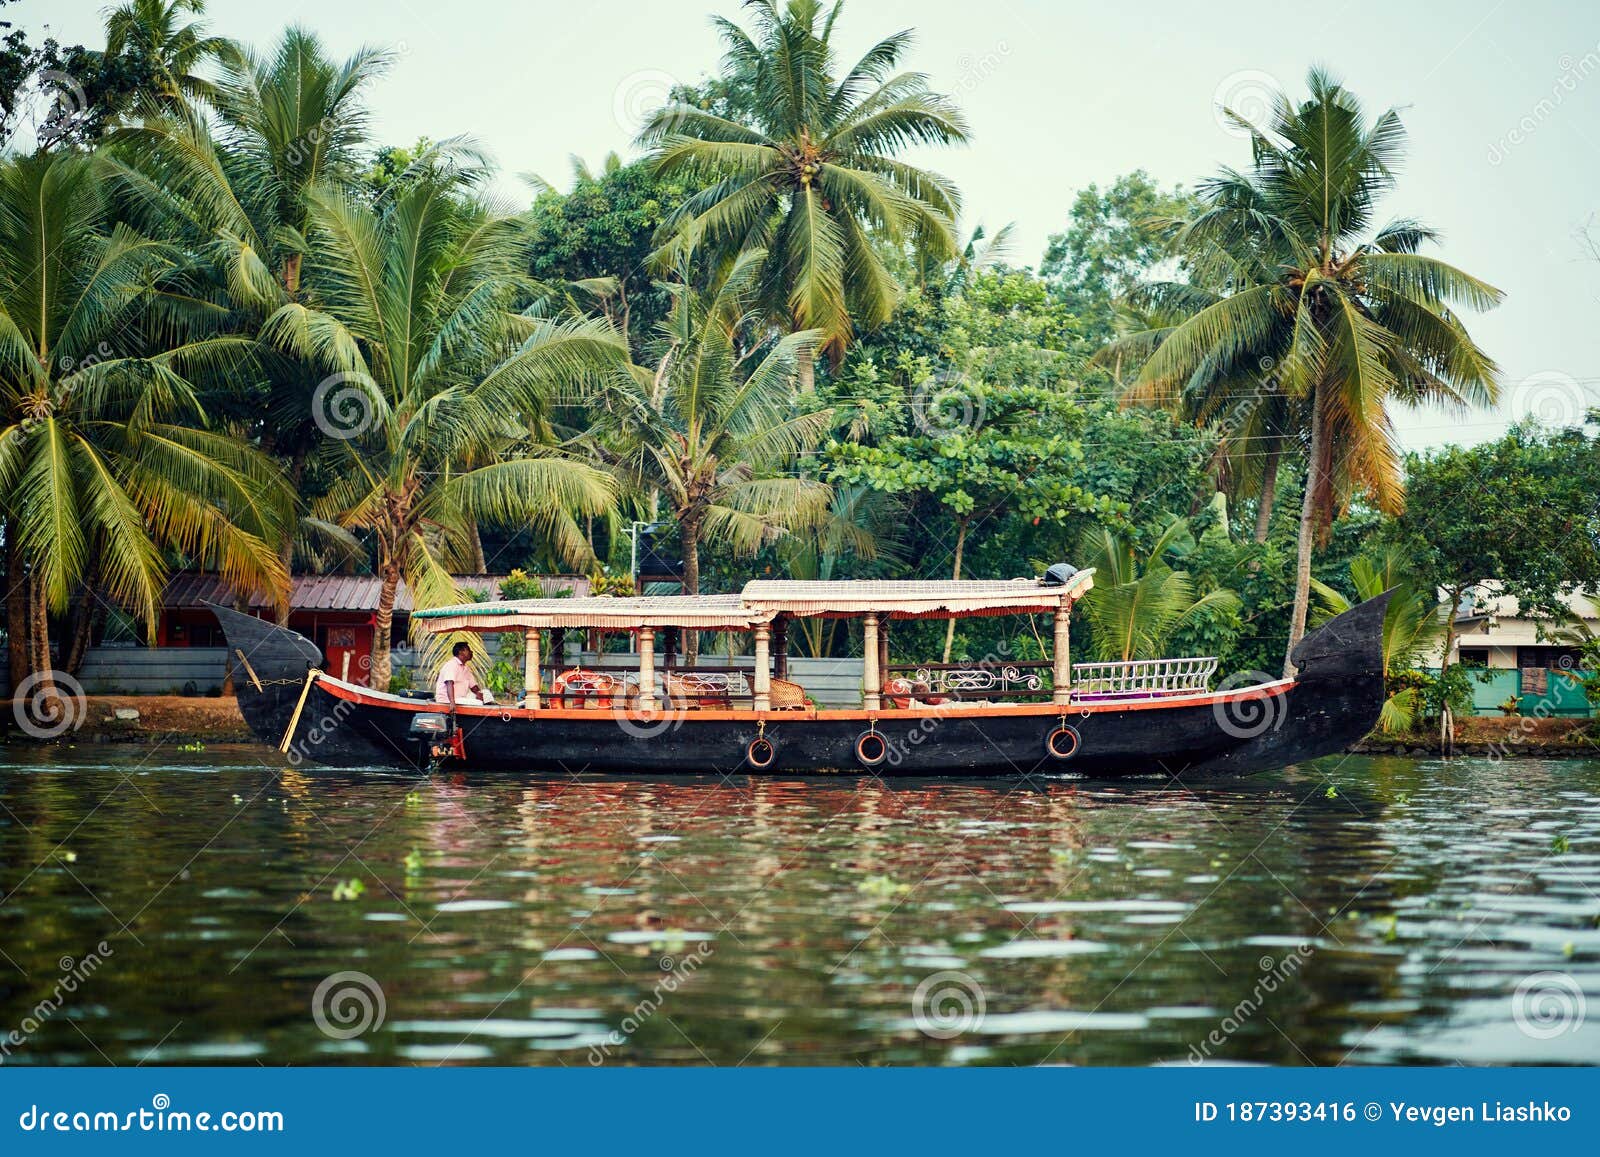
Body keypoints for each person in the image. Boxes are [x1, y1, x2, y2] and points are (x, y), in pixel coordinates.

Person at [434, 641, 489, 706]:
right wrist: (452, 702)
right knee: (478, 703)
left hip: (461, 698)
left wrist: (478, 693)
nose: (471, 652)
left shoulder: (466, 668)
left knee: (487, 694)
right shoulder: (451, 665)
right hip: (448, 700)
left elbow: (473, 686)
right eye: (468, 650)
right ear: (461, 652)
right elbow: (449, 683)